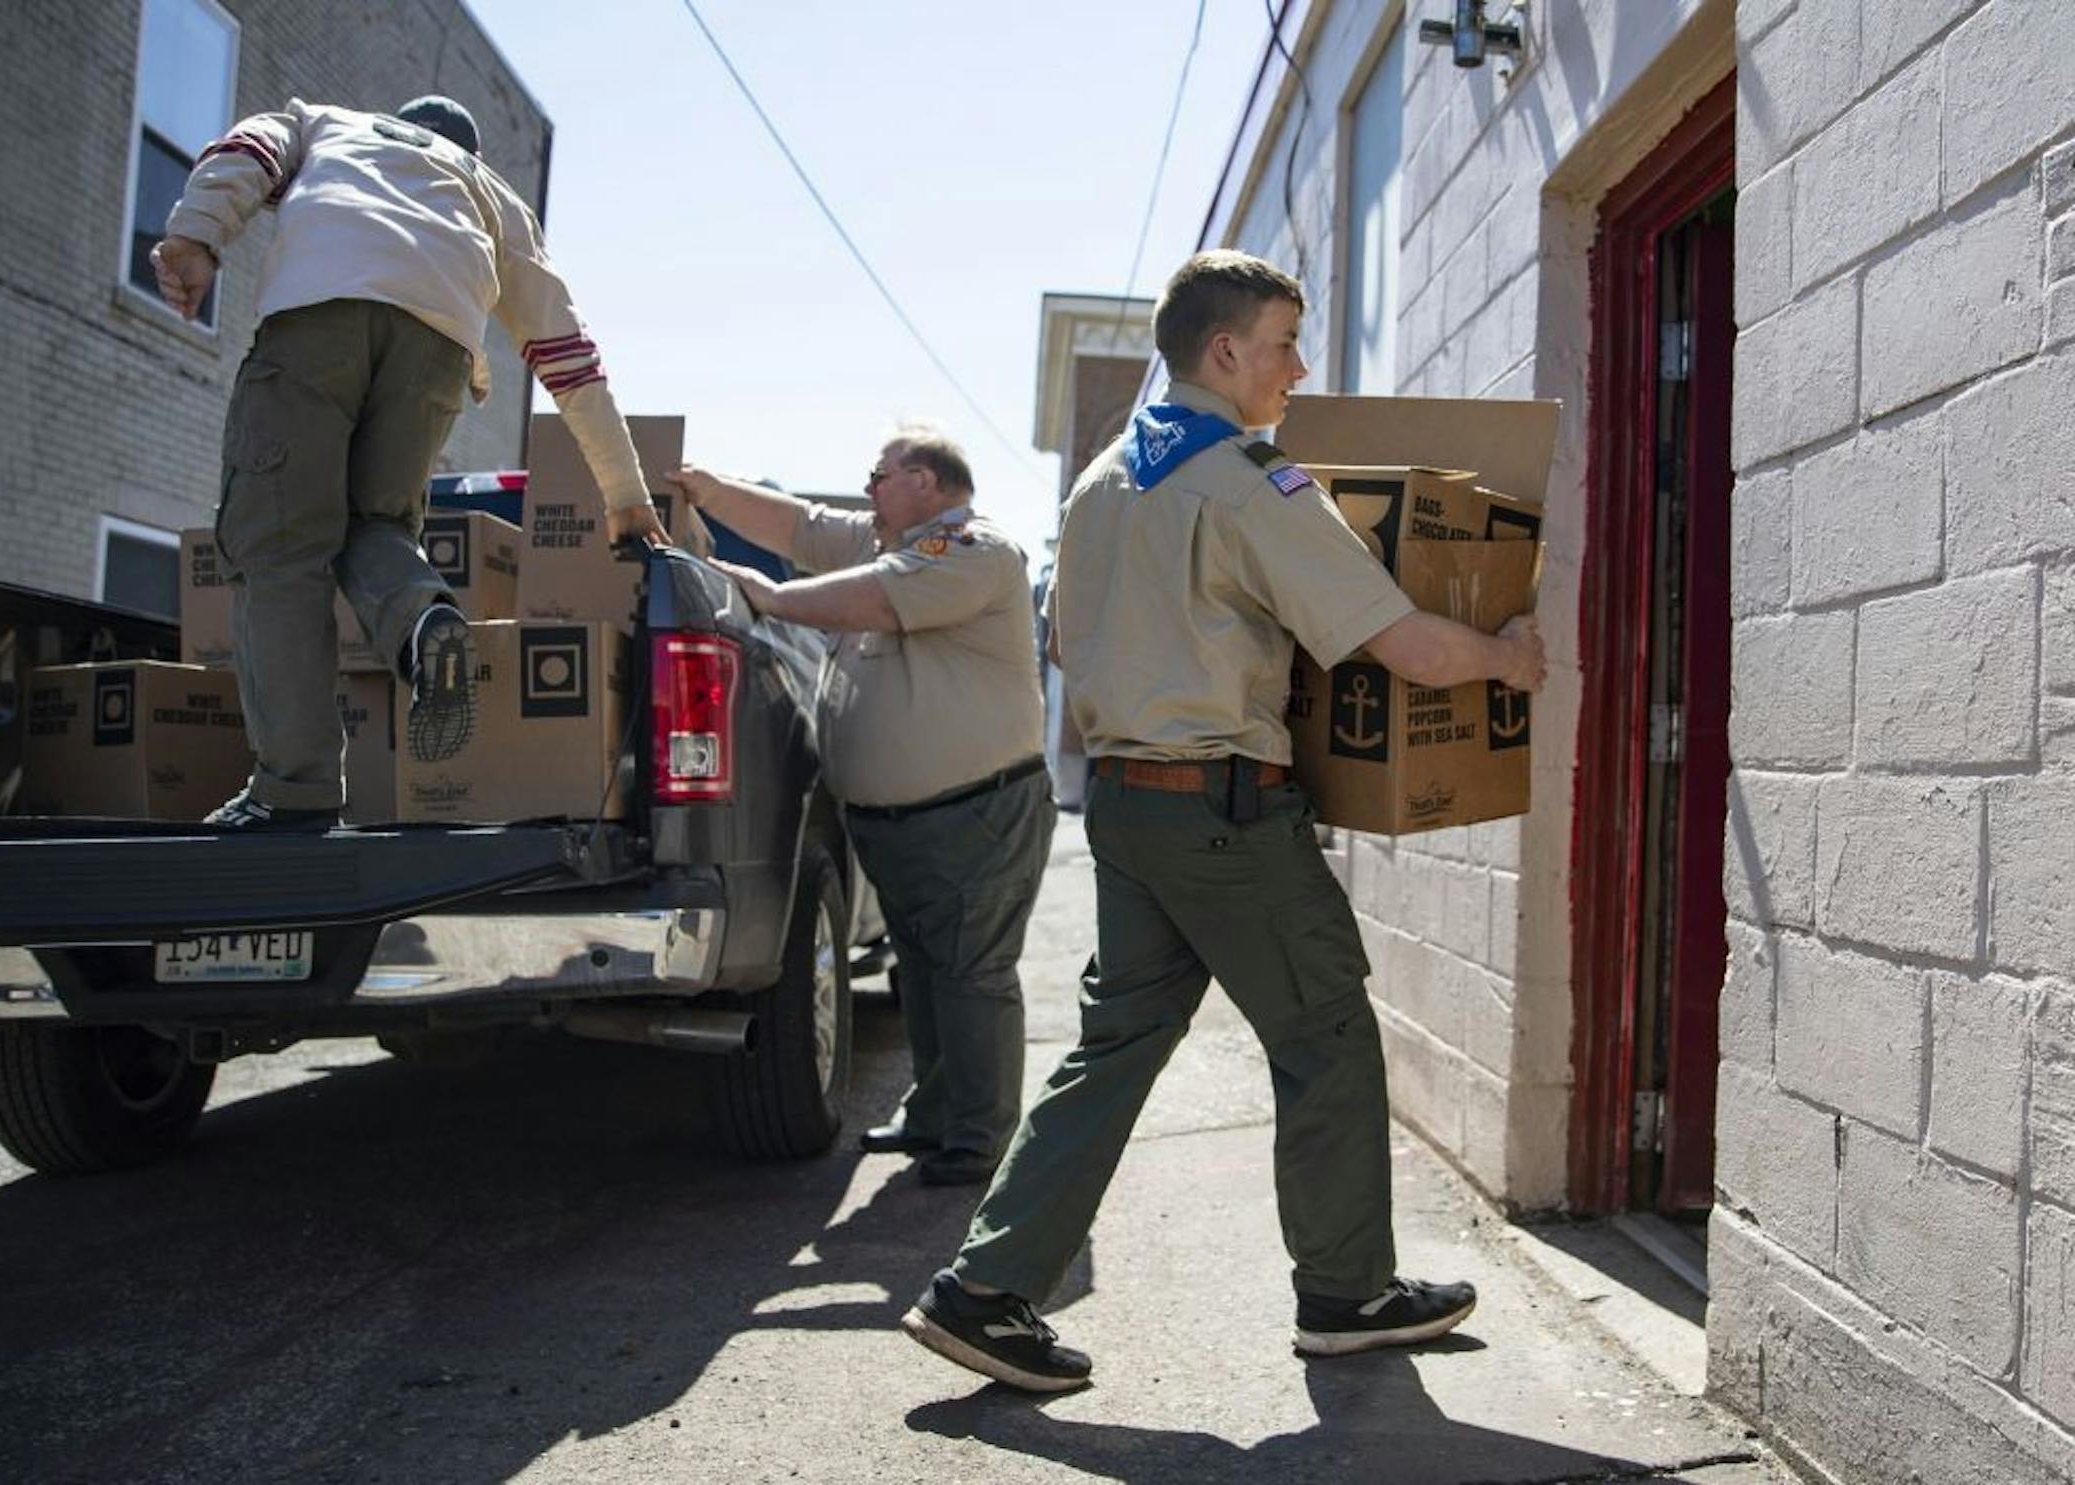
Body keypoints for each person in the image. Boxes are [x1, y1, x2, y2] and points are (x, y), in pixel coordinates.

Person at [901, 250, 1548, 1392]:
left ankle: (984, 1292)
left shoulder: (1101, 482)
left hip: (1125, 807)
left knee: (1117, 1046)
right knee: (1326, 1030)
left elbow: (1070, 646)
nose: (1299, 368)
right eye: (1286, 342)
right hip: (1223, 815)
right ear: (1224, 352)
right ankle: (1348, 1294)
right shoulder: (1250, 481)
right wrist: (1506, 656)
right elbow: (1400, 640)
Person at [149, 95, 666, 829]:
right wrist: (625, 495)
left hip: (319, 313)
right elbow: (570, 359)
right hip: (437, 346)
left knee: (281, 544)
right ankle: (423, 619)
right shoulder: (493, 195)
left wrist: (193, 237)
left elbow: (247, 150)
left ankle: (293, 791)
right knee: (378, 525)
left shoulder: (328, 122)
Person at [662, 431, 1054, 1186]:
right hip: (900, 823)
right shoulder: (890, 543)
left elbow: (876, 597)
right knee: (926, 973)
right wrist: (710, 488)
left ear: (924, 480)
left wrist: (770, 598)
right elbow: (801, 526)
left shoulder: (970, 549)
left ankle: (976, 1136)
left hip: (974, 814)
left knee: (970, 975)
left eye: (878, 476)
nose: (867, 489)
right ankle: (935, 1113)